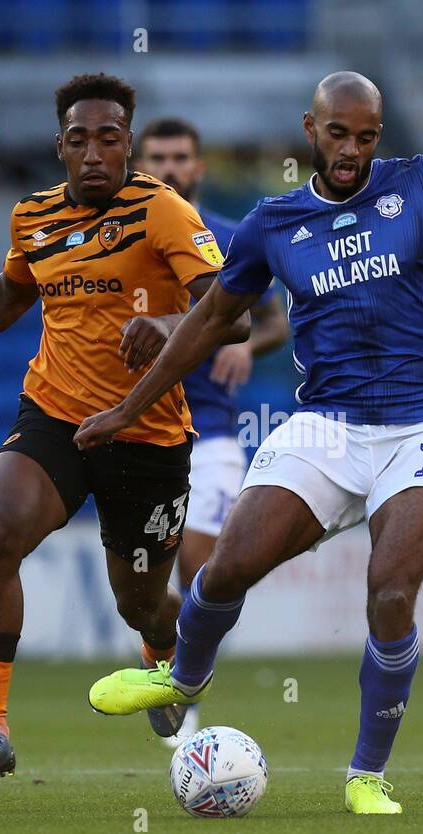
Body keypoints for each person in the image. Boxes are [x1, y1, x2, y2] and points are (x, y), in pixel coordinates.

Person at [76, 71, 423, 814]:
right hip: (327, 424)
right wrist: (131, 407)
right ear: (310, 129)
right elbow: (208, 321)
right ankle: (183, 679)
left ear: (378, 135)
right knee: (224, 571)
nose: (352, 149)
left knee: (389, 590)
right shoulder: (272, 223)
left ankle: (365, 776)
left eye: (366, 135)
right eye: (338, 133)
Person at [0, 73, 249, 785]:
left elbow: (227, 310)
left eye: (109, 139)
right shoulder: (34, 217)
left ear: (128, 145)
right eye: (79, 140)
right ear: (60, 148)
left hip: (145, 433)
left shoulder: (162, 212)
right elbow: (9, 294)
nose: (94, 153)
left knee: (139, 603)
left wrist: (168, 323)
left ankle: (165, 662)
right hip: (54, 415)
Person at [135, 117, 290, 745]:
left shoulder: (227, 239)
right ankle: (167, 666)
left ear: (198, 168)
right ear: (141, 167)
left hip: (213, 434)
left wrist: (252, 347)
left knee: (199, 565)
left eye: (181, 158)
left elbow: (274, 320)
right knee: (147, 580)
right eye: (158, 158)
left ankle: (185, 695)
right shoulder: (124, 244)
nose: (171, 168)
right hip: (143, 432)